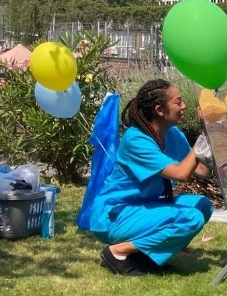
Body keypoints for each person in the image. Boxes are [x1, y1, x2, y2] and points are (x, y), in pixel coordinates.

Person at [90, 79, 213, 277]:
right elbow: (181, 174)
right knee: (191, 218)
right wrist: (203, 133)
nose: (184, 106)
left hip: (147, 206)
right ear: (159, 110)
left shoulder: (173, 134)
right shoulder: (136, 140)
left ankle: (143, 255)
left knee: (202, 205)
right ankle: (116, 252)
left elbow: (201, 172)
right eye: (178, 102)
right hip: (114, 215)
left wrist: (211, 140)